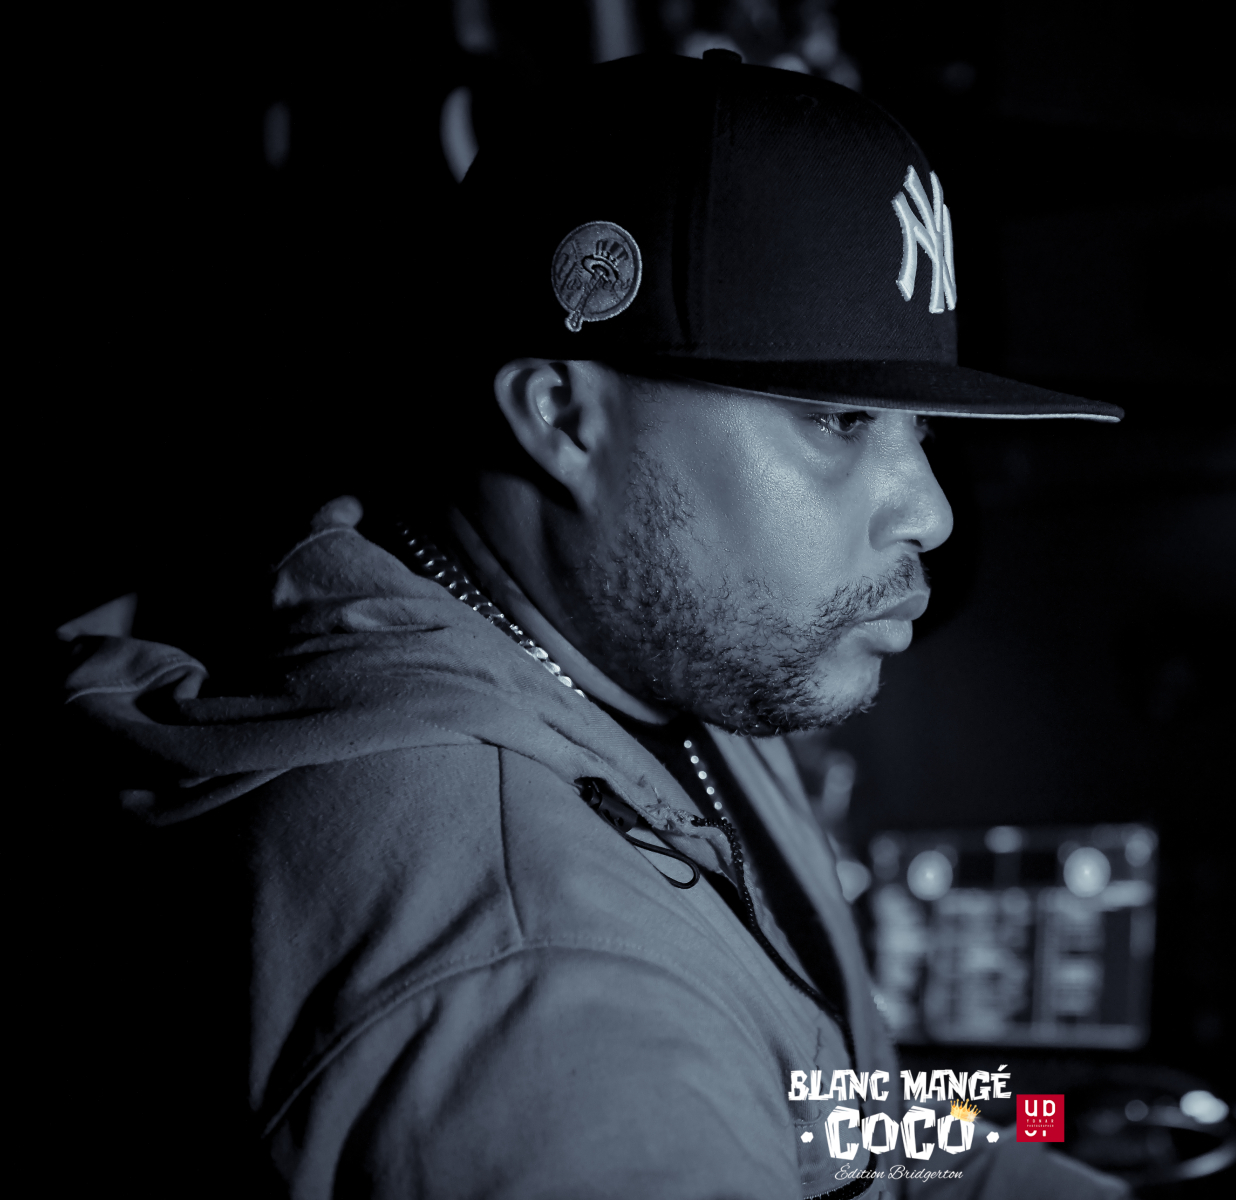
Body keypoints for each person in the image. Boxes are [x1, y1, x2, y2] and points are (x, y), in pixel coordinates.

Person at [58, 52, 1125, 1199]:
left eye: (922, 432)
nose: (931, 510)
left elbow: (836, 1119)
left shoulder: (654, 659)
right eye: (838, 419)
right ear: (564, 417)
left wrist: (1051, 1177)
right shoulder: (538, 997)